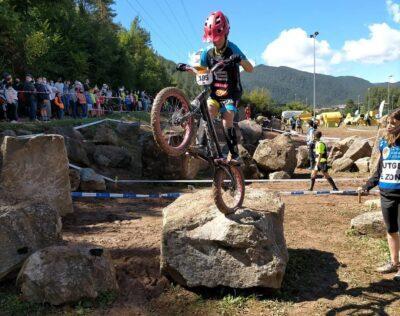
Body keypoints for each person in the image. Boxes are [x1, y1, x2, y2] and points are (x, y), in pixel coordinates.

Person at [190, 10, 253, 162]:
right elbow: (201, 71)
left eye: (218, 37)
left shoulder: (233, 48)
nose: (215, 41)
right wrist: (191, 69)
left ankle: (234, 153)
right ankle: (201, 145)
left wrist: (239, 60)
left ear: (225, 33)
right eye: (212, 38)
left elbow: (250, 68)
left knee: (227, 119)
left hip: (231, 93)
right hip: (214, 93)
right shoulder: (207, 52)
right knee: (208, 111)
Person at [358, 109, 400, 280]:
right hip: (386, 193)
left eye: (394, 124)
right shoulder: (384, 143)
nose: (389, 126)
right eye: (388, 123)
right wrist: (367, 186)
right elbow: (379, 170)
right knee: (391, 230)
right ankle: (394, 262)